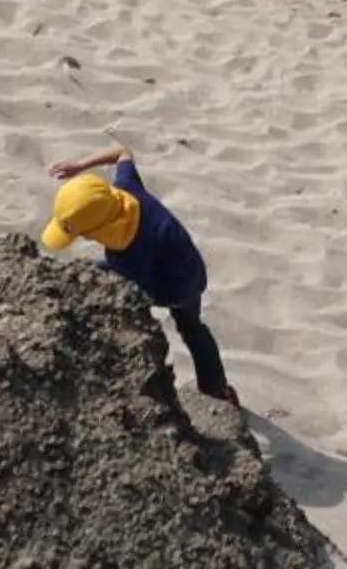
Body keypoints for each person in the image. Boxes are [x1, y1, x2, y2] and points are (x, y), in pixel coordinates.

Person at [43, 144, 236, 405]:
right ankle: (218, 389)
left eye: (82, 233)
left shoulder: (128, 252)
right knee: (194, 328)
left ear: (99, 229)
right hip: (190, 266)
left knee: (97, 274)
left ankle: (215, 397)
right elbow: (122, 152)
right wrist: (80, 165)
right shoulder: (125, 191)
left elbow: (137, 297)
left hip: (172, 288)